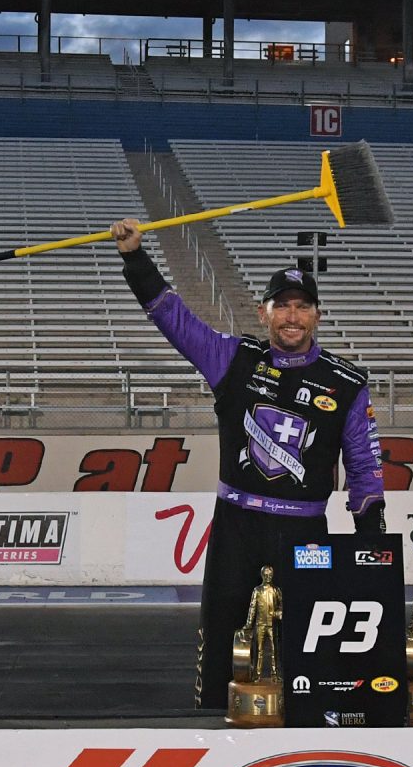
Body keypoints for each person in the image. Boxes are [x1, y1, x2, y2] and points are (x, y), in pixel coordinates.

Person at [111, 218, 386, 710]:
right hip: (236, 526)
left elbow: (365, 469)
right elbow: (173, 318)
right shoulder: (233, 359)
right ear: (264, 313)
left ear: (319, 316)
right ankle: (214, 734)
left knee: (306, 645)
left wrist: (371, 543)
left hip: (307, 533)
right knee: (221, 637)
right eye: (282, 306)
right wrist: (135, 257)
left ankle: (302, 740)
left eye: (303, 307)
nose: (292, 316)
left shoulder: (347, 381)